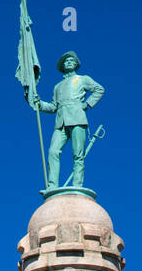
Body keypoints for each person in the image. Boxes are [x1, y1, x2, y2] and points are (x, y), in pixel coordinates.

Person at [33, 51, 104, 189]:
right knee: (53, 152)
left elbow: (99, 89)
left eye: (72, 60)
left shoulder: (83, 79)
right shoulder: (57, 86)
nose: (69, 62)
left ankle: (77, 185)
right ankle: (52, 186)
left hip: (77, 118)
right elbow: (53, 106)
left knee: (78, 155)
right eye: (67, 61)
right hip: (60, 123)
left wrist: (88, 104)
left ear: (76, 64)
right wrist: (39, 103)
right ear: (63, 66)